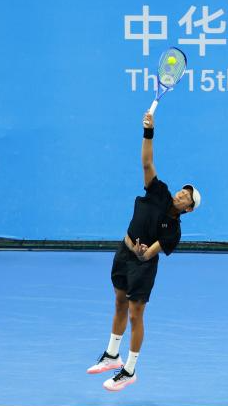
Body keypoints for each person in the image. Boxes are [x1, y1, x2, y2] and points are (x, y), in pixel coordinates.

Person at [86, 110, 201, 391]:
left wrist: (142, 252)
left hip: (142, 265)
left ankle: (129, 370)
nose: (181, 194)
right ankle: (112, 355)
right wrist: (148, 131)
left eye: (187, 197)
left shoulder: (174, 231)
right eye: (183, 190)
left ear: (188, 209)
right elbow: (147, 162)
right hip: (123, 251)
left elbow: (149, 254)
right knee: (119, 302)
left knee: (136, 314)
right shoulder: (159, 191)